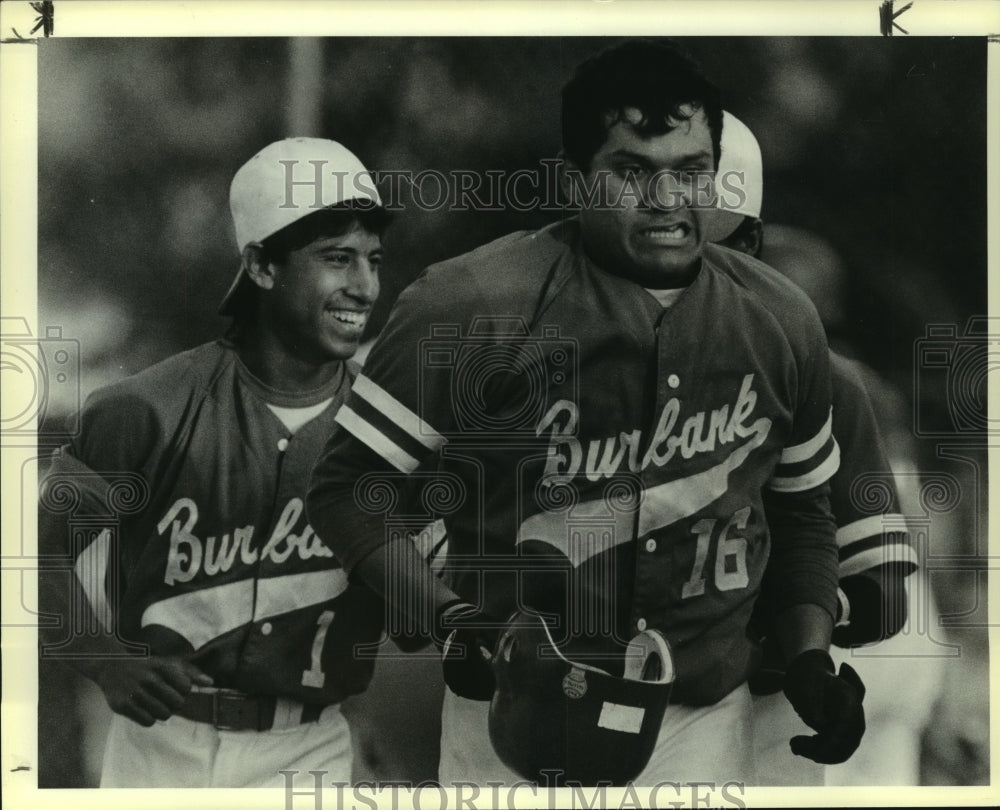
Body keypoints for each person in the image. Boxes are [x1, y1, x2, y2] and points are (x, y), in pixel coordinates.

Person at [308, 40, 863, 786]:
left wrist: (808, 656)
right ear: (576, 179)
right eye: (633, 172)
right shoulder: (471, 302)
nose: (668, 201)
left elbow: (802, 515)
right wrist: (450, 616)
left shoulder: (780, 317)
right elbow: (346, 491)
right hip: (513, 715)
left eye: (691, 172)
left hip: (699, 718)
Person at [38, 137, 390, 788]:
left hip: (310, 752)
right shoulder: (146, 411)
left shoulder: (384, 428)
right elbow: (36, 553)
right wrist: (106, 661)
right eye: (337, 259)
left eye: (373, 259)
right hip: (157, 748)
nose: (364, 286)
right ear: (260, 267)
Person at [708, 111, 934, 786]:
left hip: (783, 696)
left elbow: (889, 575)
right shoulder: (600, 366)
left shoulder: (839, 387)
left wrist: (802, 619)